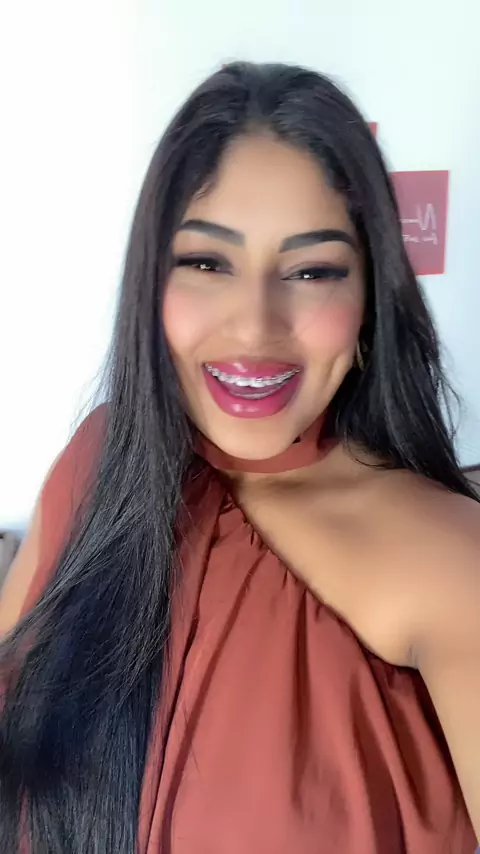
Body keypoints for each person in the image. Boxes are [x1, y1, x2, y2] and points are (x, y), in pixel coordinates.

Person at [0, 61, 478, 854]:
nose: (256, 326)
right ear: (152, 281)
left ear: (369, 299)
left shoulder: (450, 559)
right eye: (207, 262)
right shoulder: (97, 460)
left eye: (312, 271)